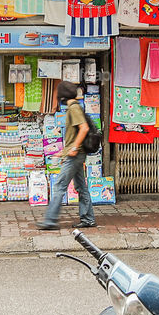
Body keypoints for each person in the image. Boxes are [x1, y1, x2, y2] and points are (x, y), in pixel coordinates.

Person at [37, 81, 95, 230]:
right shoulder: (74, 107)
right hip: (76, 154)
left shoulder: (74, 108)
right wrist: (62, 152)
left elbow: (84, 128)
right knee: (81, 187)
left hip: (75, 155)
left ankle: (50, 220)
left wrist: (74, 148)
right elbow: (75, 133)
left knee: (59, 186)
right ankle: (88, 219)